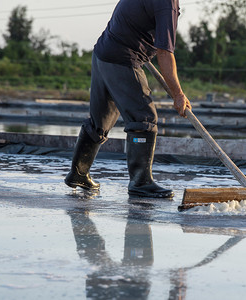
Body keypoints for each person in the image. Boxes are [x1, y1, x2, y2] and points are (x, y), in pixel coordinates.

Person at [64, 0, 192, 198]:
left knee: (100, 121)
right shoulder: (167, 2)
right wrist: (178, 94)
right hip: (123, 58)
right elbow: (165, 53)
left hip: (103, 55)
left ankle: (78, 173)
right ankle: (140, 182)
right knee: (144, 118)